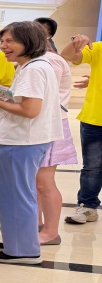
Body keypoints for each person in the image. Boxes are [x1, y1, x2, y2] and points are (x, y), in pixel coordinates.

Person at [0, 22, 63, 265]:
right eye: (3, 41)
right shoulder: (33, 65)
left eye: (10, 41)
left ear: (28, 41)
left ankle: (23, 250)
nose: (4, 46)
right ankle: (18, 242)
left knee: (17, 195)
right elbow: (21, 99)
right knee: (18, 194)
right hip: (28, 140)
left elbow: (30, 110)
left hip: (23, 141)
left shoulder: (33, 69)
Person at [60, 33, 102, 224]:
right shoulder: (99, 48)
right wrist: (75, 41)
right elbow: (68, 55)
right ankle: (88, 207)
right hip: (95, 118)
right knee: (92, 167)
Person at [38, 48, 78, 245]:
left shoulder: (49, 61)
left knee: (44, 181)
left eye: (11, 40)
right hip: (38, 125)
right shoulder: (33, 60)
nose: (5, 46)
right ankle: (35, 225)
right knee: (34, 181)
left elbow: (44, 97)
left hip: (49, 125)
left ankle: (51, 232)